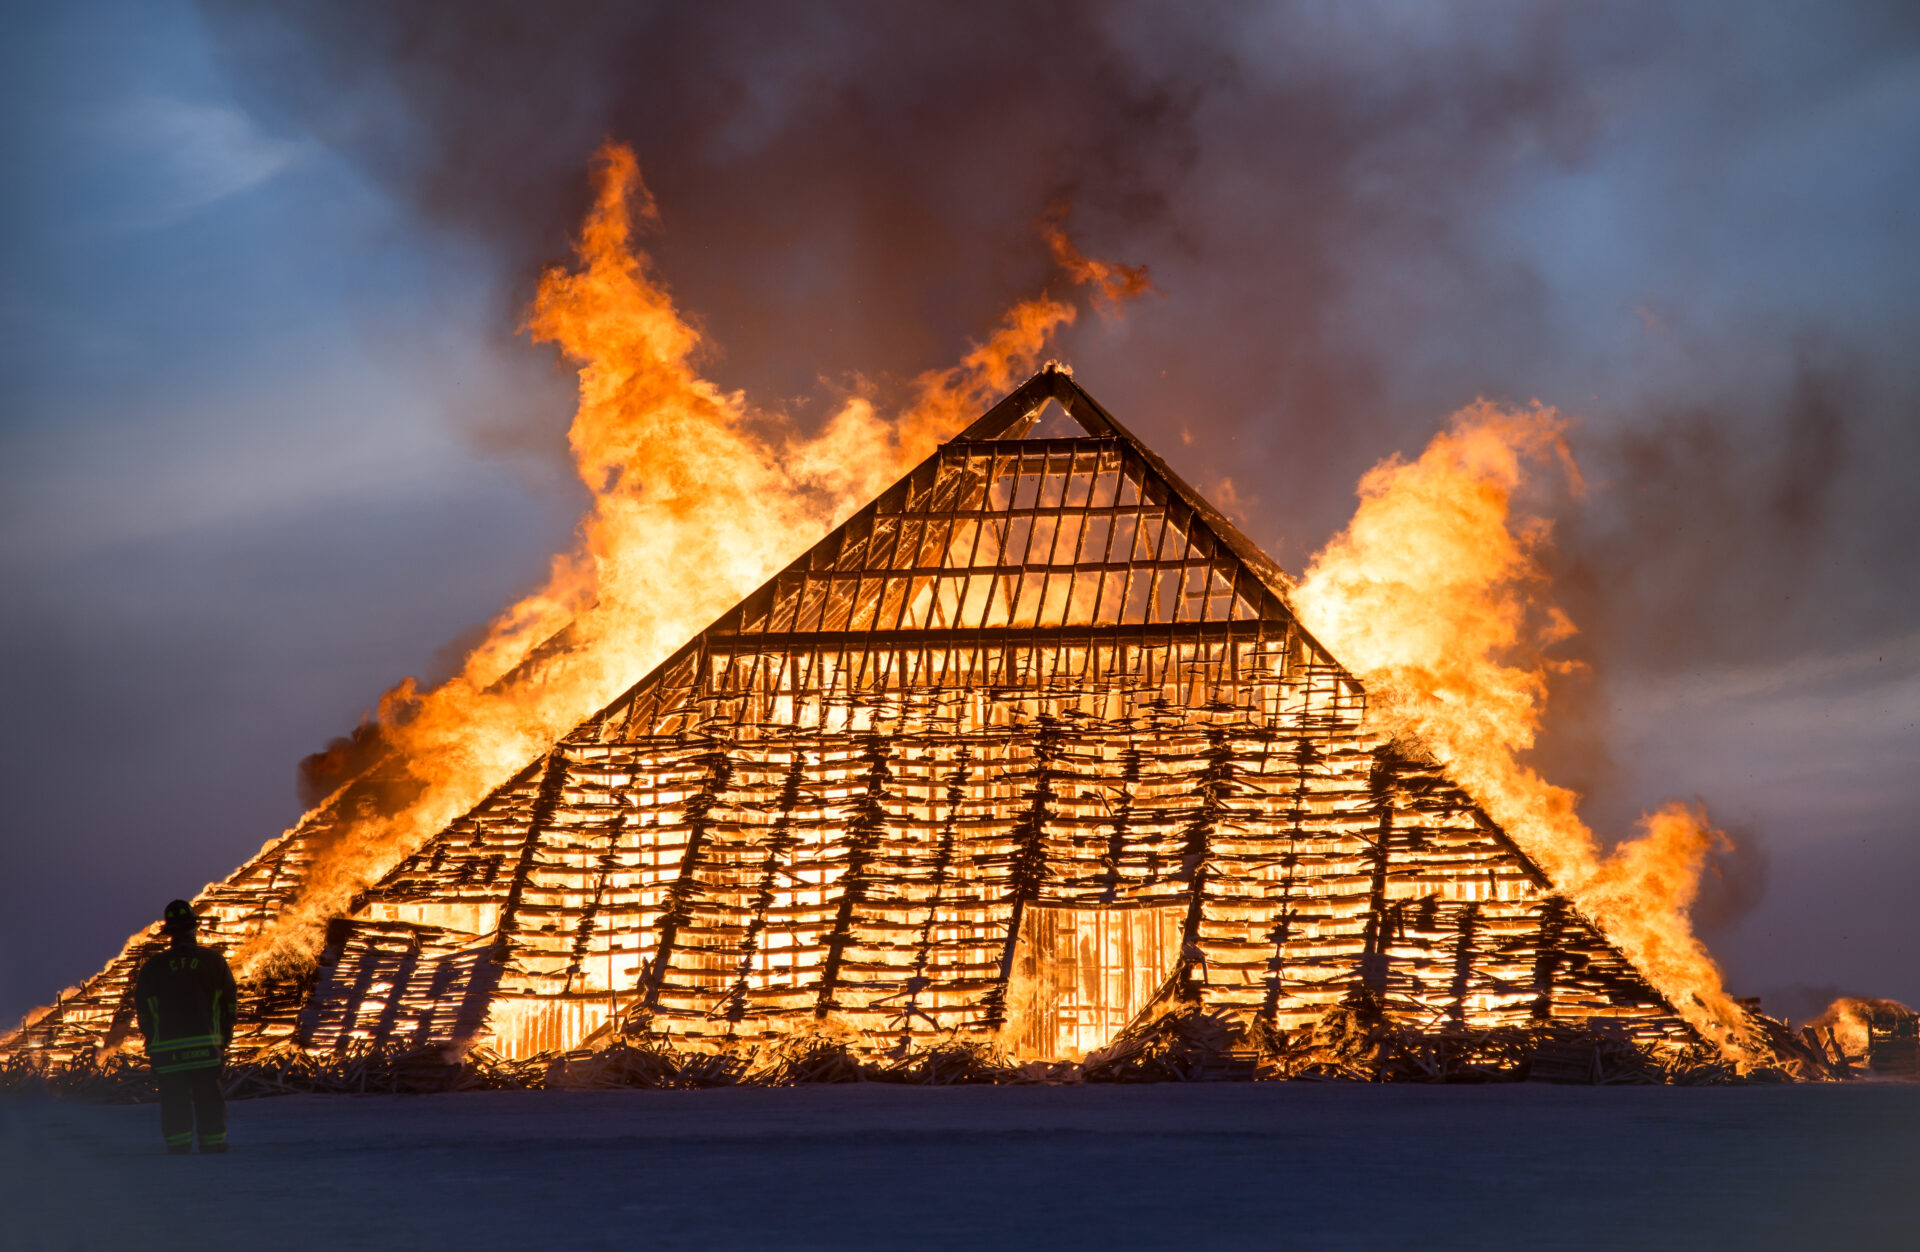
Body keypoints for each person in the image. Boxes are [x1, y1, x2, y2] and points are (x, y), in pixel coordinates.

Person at [133, 899, 237, 1154]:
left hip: (168, 1053)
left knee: (173, 1100)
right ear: (193, 928)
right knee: (209, 1097)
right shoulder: (214, 962)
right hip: (205, 1048)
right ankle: (212, 1144)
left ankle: (178, 1146)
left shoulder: (152, 968)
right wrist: (223, 1039)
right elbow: (229, 1006)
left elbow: (143, 1012)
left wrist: (153, 1041)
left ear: (169, 933)